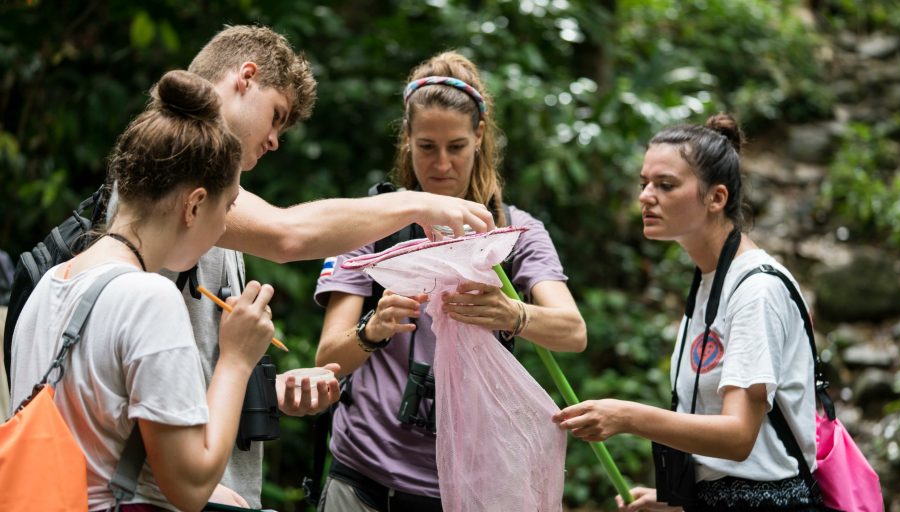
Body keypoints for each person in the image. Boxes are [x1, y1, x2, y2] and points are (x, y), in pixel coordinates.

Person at [102, 26, 498, 509]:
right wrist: (418, 203)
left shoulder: (216, 203)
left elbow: (194, 360)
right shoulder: (173, 167)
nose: (273, 141)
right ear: (246, 78)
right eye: (276, 117)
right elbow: (288, 235)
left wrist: (273, 389)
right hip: (158, 492)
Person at [313, 51, 587, 512]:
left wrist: (513, 313)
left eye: (456, 147)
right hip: (364, 477)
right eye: (426, 146)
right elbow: (327, 359)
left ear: (479, 136)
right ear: (407, 138)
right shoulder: (367, 223)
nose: (441, 165)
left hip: (467, 485)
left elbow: (573, 332)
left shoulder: (515, 232)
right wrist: (372, 329)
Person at [10, 70, 273, 512]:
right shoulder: (149, 298)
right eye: (225, 208)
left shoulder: (48, 286)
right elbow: (188, 486)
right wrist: (236, 358)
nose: (225, 226)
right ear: (193, 205)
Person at [552, 114, 823, 511]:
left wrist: (626, 416)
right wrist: (678, 502)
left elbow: (738, 436)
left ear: (716, 198)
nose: (646, 196)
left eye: (665, 185)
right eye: (644, 183)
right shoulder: (710, 280)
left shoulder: (756, 291)